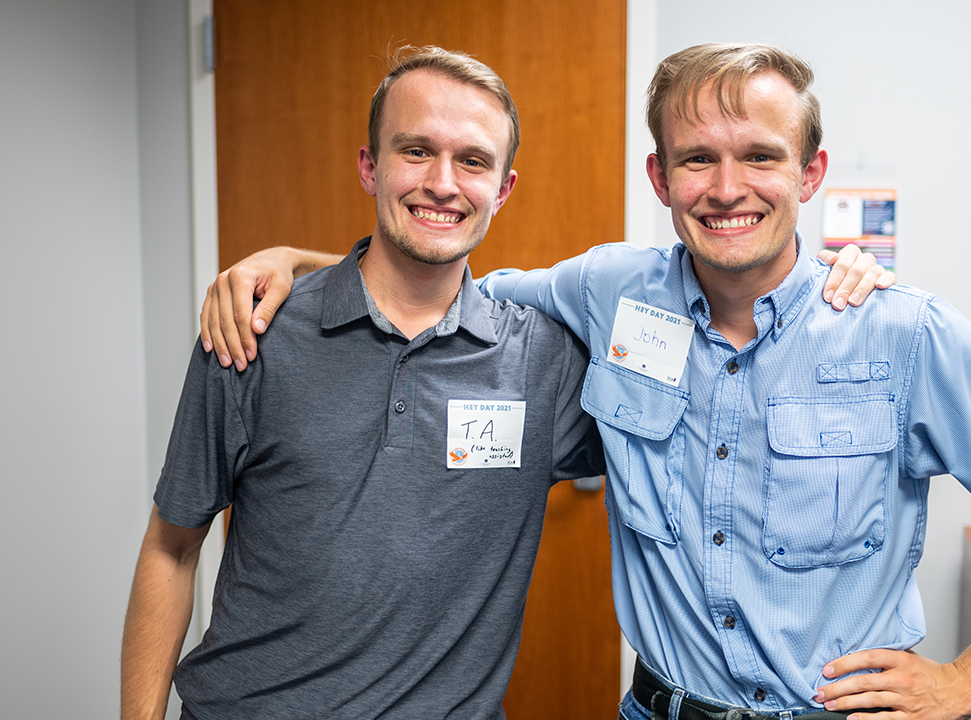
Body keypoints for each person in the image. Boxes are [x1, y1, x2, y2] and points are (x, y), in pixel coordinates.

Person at [201, 44, 971, 720]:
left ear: (810, 174)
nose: (727, 187)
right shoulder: (608, 289)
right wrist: (296, 260)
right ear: (660, 178)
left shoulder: (899, 332)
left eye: (760, 158)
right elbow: (443, 283)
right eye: (698, 159)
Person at [120, 46, 616, 720]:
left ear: (502, 189)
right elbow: (172, 548)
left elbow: (714, 413)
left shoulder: (543, 360)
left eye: (472, 161)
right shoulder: (254, 329)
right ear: (369, 166)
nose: (442, 183)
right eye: (415, 151)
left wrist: (810, 286)